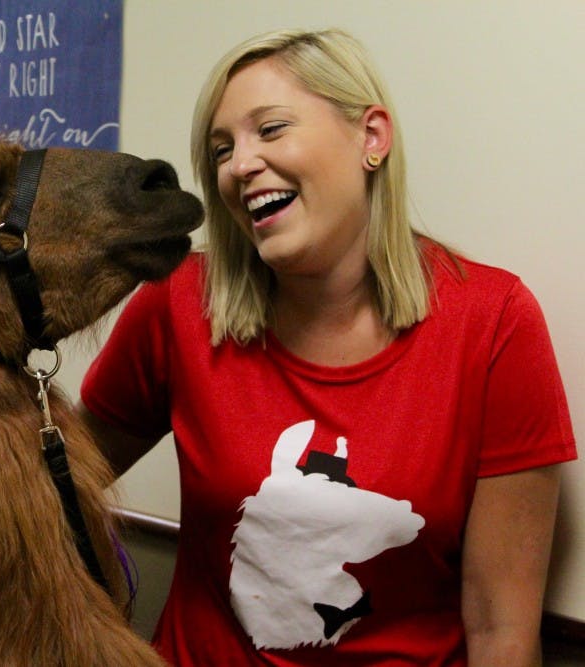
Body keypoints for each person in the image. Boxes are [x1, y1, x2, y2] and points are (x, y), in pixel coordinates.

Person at [77, 28, 577, 666]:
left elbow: (500, 628)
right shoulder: (177, 304)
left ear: (372, 137)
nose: (239, 166)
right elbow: (47, 492)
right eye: (222, 149)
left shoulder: (494, 322)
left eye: (271, 129)